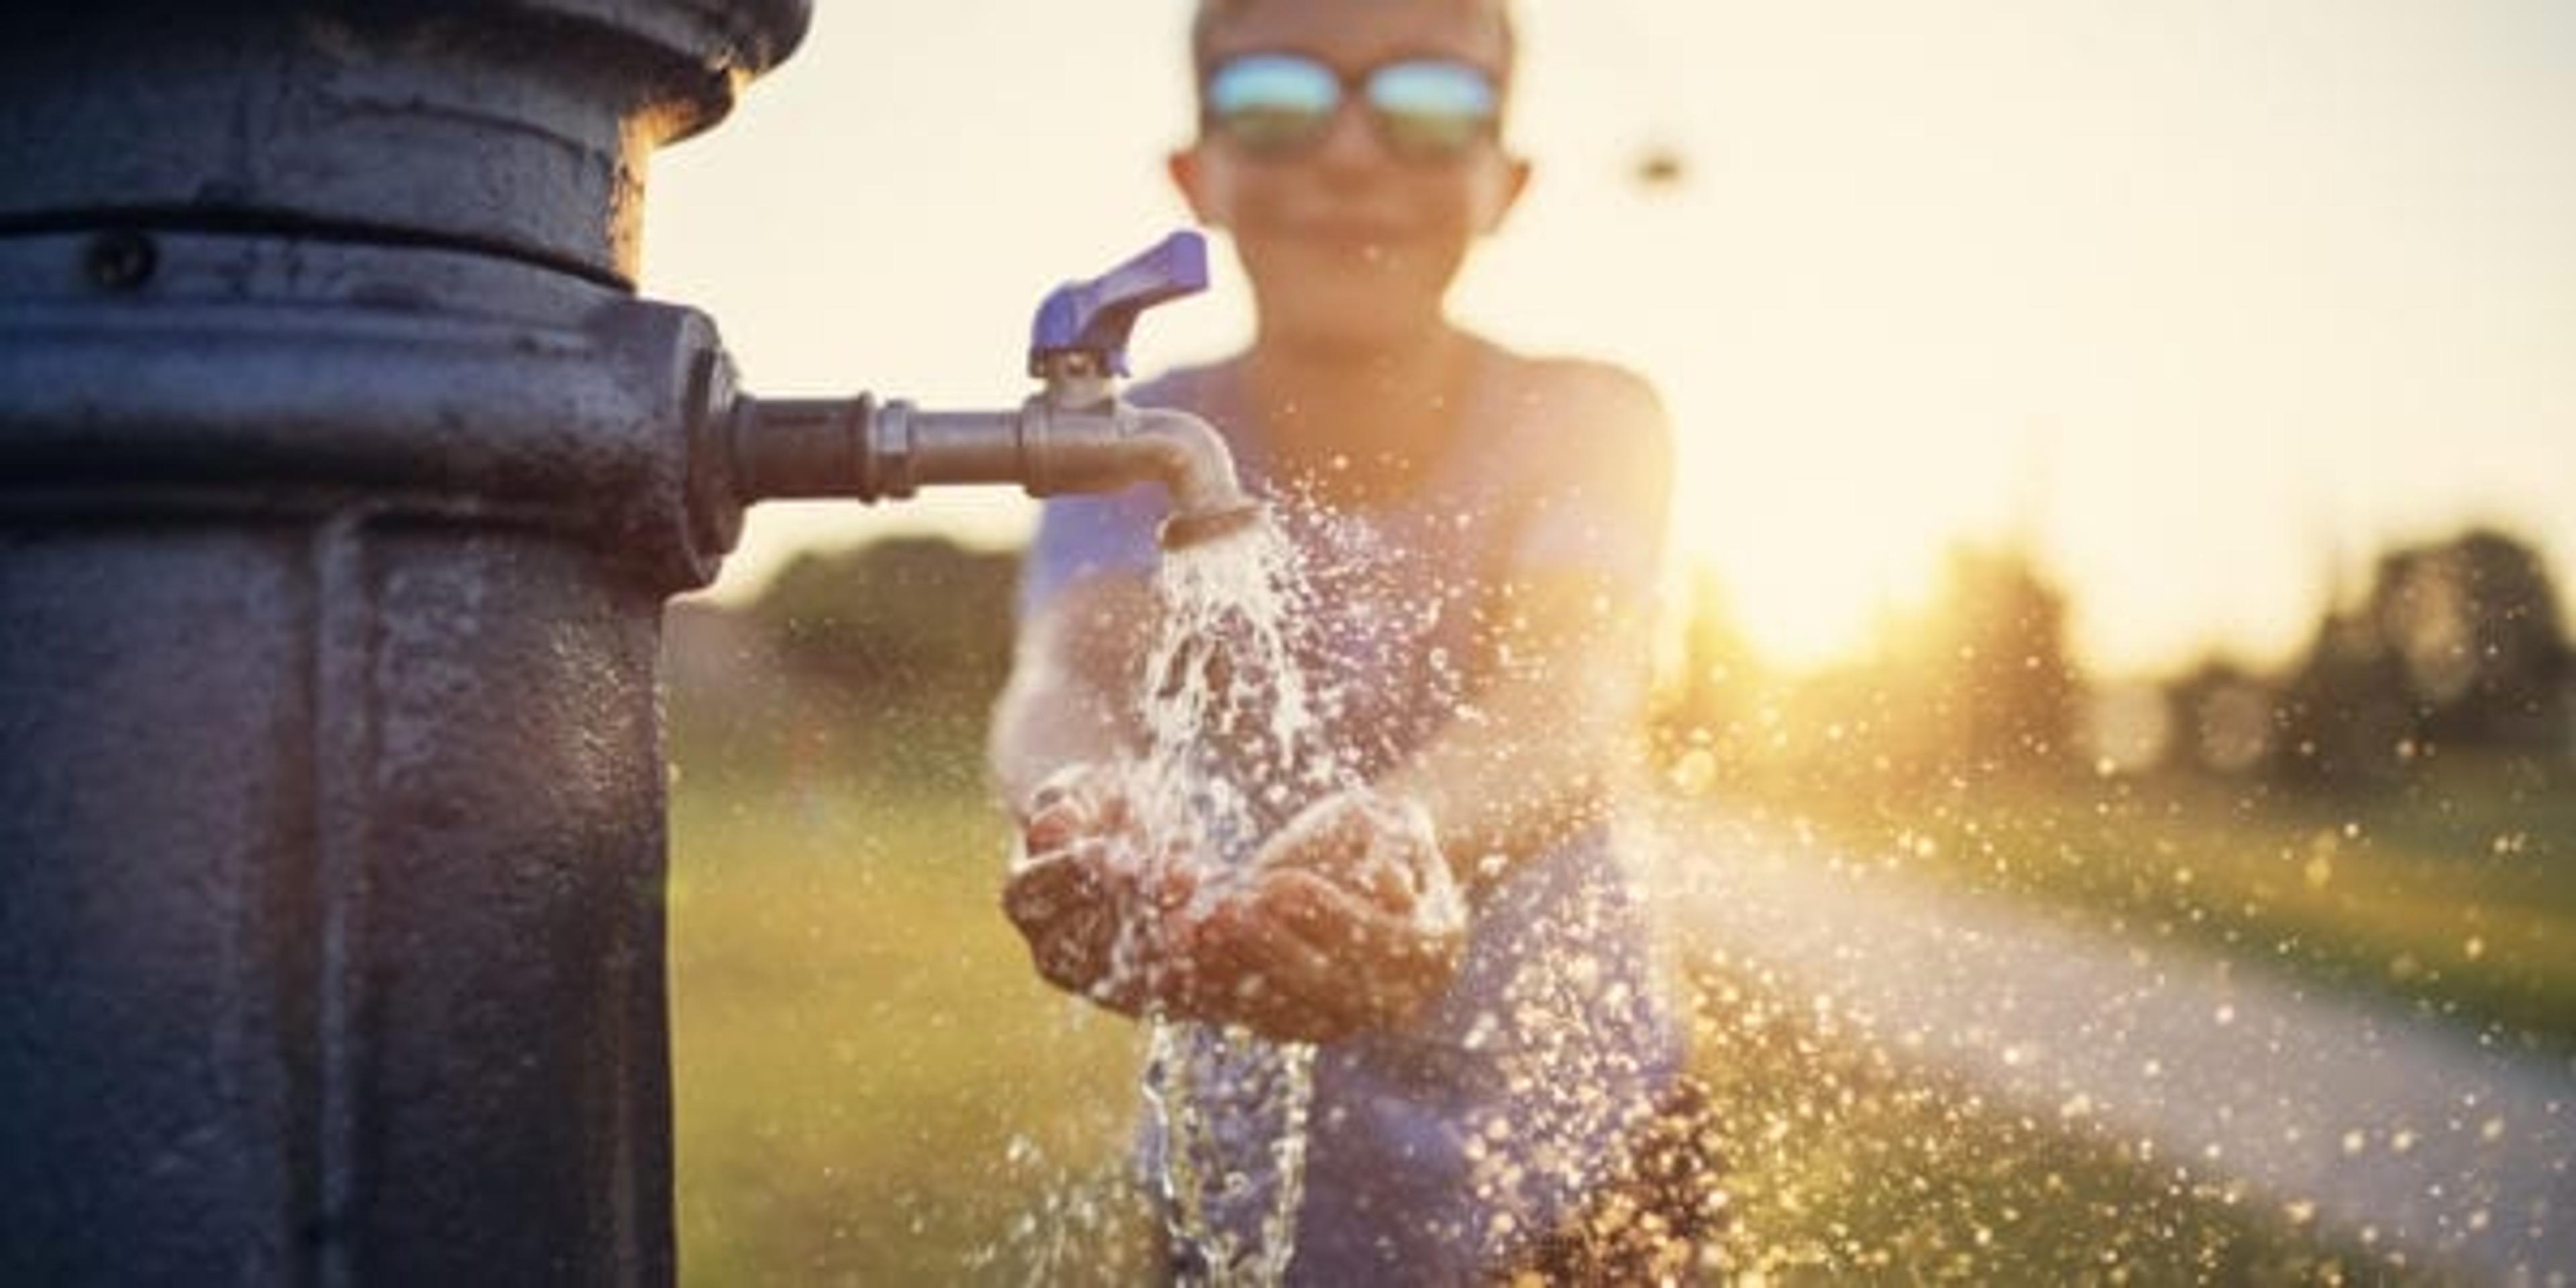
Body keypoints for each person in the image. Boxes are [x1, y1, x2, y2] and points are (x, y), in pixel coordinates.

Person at [989, 0, 1716, 1279]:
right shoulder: (1135, 439)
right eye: (1277, 99)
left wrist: (1399, 832)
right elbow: (1072, 674)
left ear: (1509, 182)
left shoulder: (1585, 418)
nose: (1351, 154)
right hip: (1245, 1157)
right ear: (1195, 174)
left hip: (1581, 1160)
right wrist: (1085, 805)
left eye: (1430, 106)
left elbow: (1566, 697)